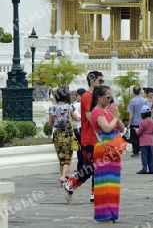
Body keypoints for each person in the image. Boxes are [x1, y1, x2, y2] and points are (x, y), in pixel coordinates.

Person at [64, 71, 104, 203]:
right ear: (92, 82)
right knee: (90, 167)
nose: (102, 84)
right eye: (100, 81)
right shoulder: (87, 96)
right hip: (89, 137)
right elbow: (89, 116)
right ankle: (72, 182)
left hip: (98, 137)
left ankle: (95, 192)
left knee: (98, 167)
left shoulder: (98, 97)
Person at [90, 85, 125, 223]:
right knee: (104, 182)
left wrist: (117, 116)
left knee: (113, 182)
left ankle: (112, 212)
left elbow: (121, 128)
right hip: (104, 149)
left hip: (114, 149)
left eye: (110, 96)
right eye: (107, 97)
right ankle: (103, 214)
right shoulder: (96, 111)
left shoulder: (109, 110)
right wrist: (115, 118)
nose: (109, 99)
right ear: (99, 97)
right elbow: (106, 127)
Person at [48, 87, 80, 186]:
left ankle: (63, 176)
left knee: (61, 157)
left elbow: (50, 124)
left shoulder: (51, 108)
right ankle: (63, 177)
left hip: (57, 135)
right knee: (67, 157)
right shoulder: (70, 107)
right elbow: (77, 118)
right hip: (68, 134)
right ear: (67, 97)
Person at [135, 104, 153, 174]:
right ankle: (152, 169)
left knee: (144, 156)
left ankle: (144, 169)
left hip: (143, 141)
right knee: (151, 156)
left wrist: (136, 130)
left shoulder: (142, 123)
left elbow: (139, 132)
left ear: (142, 115)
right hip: (151, 141)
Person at [128, 86, 146, 158]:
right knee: (142, 137)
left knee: (134, 138)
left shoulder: (132, 101)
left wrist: (129, 123)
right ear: (140, 91)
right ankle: (141, 150)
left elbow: (131, 113)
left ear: (133, 92)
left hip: (134, 122)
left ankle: (135, 152)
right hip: (142, 121)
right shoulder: (144, 100)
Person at [72, 88, 86, 171]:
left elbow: (77, 118)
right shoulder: (88, 104)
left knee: (80, 148)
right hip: (85, 128)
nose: (76, 97)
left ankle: (80, 166)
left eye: (77, 95)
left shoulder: (76, 105)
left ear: (81, 96)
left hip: (78, 128)